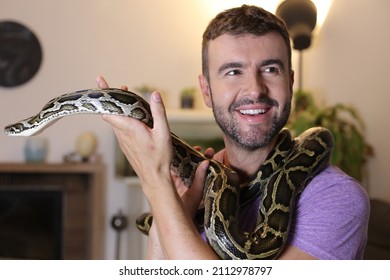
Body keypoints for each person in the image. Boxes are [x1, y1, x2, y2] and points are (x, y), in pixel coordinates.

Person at [98, 5, 369, 260]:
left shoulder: (336, 198)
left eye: (271, 69)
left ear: (290, 82)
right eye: (233, 71)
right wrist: (168, 199)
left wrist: (156, 184)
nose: (254, 89)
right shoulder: (200, 183)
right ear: (206, 90)